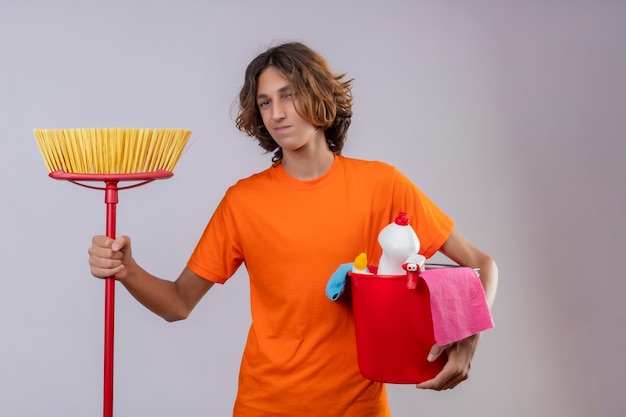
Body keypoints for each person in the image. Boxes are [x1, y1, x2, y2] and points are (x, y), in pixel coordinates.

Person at [88, 41, 498, 417]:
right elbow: (178, 303)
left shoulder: (382, 185)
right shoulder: (243, 202)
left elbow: (481, 264)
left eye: (289, 95)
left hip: (359, 408)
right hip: (264, 405)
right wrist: (127, 270)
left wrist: (469, 336)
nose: (277, 113)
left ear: (319, 95)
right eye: (265, 102)